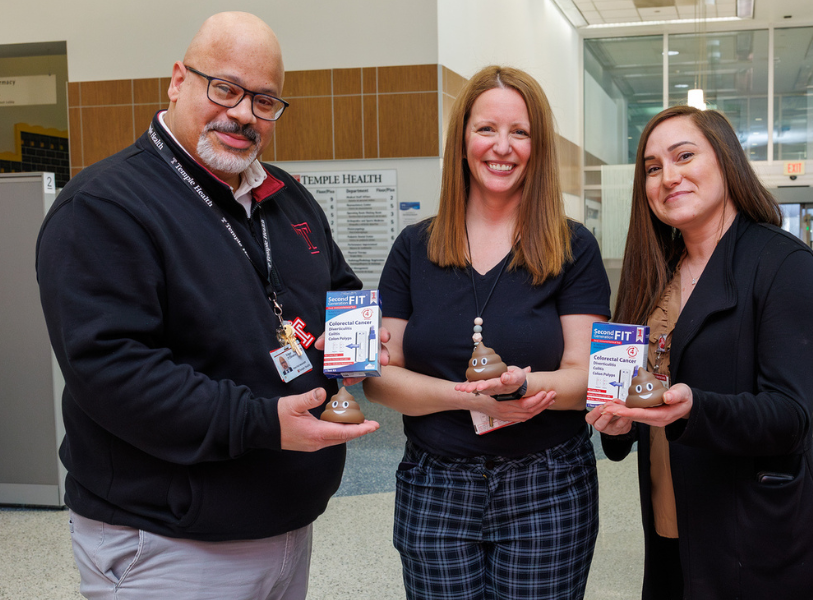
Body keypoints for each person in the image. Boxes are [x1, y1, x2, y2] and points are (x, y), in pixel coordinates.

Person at [36, 12, 384, 600]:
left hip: (287, 525)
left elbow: (343, 290)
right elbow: (115, 373)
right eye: (225, 88)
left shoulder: (287, 199)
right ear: (177, 80)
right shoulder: (103, 206)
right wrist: (262, 423)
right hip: (167, 543)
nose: (244, 113)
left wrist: (360, 343)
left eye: (266, 100)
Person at [363, 65, 611, 600]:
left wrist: (522, 390)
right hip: (435, 484)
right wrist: (471, 399)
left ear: (538, 145)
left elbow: (586, 373)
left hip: (547, 486)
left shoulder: (573, 248)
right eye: (486, 129)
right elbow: (381, 378)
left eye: (519, 132)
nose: (503, 147)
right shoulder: (414, 247)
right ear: (463, 140)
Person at [587, 105, 813, 599]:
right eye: (654, 168)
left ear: (725, 161)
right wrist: (620, 423)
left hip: (756, 534)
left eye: (684, 156)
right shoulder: (654, 274)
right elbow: (638, 391)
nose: (669, 177)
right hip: (670, 521)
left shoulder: (784, 265)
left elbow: (790, 417)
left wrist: (694, 409)